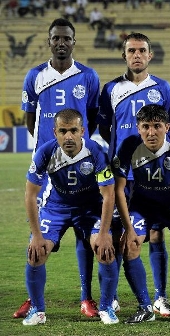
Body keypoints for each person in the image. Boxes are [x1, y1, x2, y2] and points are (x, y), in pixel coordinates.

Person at [15, 17, 102, 320]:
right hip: (49, 161)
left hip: (80, 160)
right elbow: (29, 118)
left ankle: (86, 297)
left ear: (73, 41)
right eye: (56, 38)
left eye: (66, 38)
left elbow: (90, 116)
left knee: (83, 232)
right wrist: (44, 147)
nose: (61, 42)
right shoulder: (34, 75)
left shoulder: (89, 76)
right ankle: (33, 298)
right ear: (49, 41)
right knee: (38, 234)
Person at [97, 32, 170, 319]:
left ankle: (160, 298)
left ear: (150, 55)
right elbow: (106, 128)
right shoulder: (110, 89)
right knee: (118, 234)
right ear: (125, 55)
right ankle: (113, 296)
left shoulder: (163, 88)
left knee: (155, 233)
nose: (137, 55)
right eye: (131, 51)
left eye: (142, 50)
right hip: (122, 174)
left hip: (153, 174)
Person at [22, 108, 118, 326]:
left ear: (82, 131)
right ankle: (37, 310)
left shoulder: (96, 152)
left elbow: (108, 193)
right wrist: (36, 235)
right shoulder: (45, 153)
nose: (68, 136)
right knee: (35, 253)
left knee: (105, 250)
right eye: (63, 131)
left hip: (90, 207)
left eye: (73, 130)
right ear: (54, 132)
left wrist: (103, 233)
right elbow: (30, 195)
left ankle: (106, 307)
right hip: (56, 207)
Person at [113, 104, 170, 324]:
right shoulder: (129, 145)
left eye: (157, 126)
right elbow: (118, 189)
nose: (151, 132)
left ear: (167, 127)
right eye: (146, 127)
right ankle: (145, 307)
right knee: (130, 245)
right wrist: (129, 228)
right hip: (144, 206)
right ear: (138, 128)